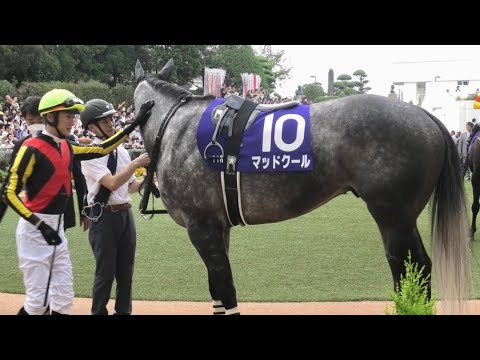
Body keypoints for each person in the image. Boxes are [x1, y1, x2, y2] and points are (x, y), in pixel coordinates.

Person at [2, 89, 154, 315]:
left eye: (74, 116)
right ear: (50, 117)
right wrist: (40, 225)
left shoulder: (68, 146)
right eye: (68, 116)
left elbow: (103, 147)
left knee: (63, 301)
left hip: (57, 227)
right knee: (38, 304)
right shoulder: (30, 148)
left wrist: (134, 124)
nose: (73, 121)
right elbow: (9, 193)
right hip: (36, 229)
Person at [80, 99, 151, 315]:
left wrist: (149, 180)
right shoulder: (89, 152)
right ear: (92, 126)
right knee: (105, 274)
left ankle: (124, 312)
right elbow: (111, 183)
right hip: (103, 218)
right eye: (105, 120)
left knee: (126, 274)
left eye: (111, 117)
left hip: (124, 215)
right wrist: (135, 164)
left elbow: (129, 187)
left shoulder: (121, 150)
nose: (111, 122)